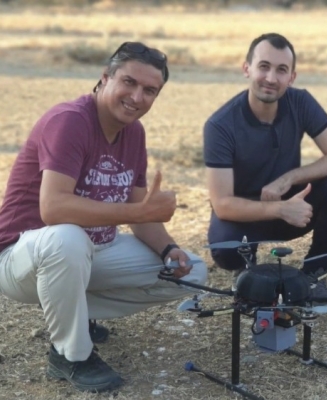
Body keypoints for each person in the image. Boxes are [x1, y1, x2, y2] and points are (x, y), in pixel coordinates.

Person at [0, 42, 208, 392]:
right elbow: (53, 208)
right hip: (22, 256)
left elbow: (139, 212)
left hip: (88, 253)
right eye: (129, 82)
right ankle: (71, 354)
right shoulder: (70, 121)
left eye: (149, 90)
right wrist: (138, 210)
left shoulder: (134, 133)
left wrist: (168, 249)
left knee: (193, 272)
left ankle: (72, 314)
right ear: (105, 78)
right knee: (67, 238)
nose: (137, 97)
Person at [203, 33, 327, 297]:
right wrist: (279, 209)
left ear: (292, 77)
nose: (271, 78)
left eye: (281, 70)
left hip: (292, 206)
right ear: (247, 69)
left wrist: (289, 178)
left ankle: (314, 273)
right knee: (227, 251)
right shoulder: (220, 125)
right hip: (245, 214)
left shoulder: (300, 102)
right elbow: (222, 204)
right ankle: (246, 270)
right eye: (263, 66)